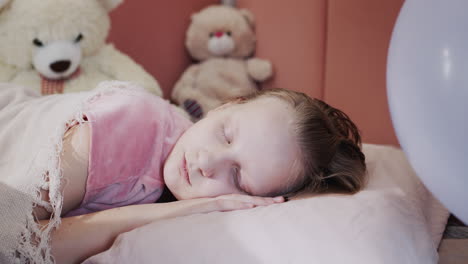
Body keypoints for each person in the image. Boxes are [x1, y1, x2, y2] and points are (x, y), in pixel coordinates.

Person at [31, 86, 366, 263]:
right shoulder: (133, 125)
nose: (209, 162)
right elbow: (13, 241)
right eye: (226, 134)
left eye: (237, 177)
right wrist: (176, 209)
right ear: (225, 105)